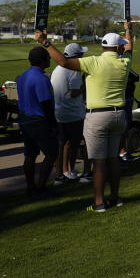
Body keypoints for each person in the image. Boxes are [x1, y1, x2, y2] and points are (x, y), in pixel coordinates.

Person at [35, 22, 135, 212]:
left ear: (104, 46)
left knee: (98, 161)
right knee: (113, 158)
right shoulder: (124, 62)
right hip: (118, 115)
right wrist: (128, 30)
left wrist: (45, 43)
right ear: (117, 47)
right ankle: (115, 197)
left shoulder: (93, 61)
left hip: (97, 116)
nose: (123, 46)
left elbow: (64, 62)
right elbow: (129, 47)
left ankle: (98, 203)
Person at [16, 46, 59, 197]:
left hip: (25, 119)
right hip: (39, 121)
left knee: (30, 155)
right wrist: (53, 125)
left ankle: (30, 187)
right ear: (41, 60)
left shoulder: (22, 76)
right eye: (47, 57)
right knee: (52, 153)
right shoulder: (41, 78)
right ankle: (41, 187)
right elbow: (46, 104)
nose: (49, 59)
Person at [51, 43, 88, 185]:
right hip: (72, 113)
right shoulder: (74, 70)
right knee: (73, 143)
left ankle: (62, 173)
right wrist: (85, 85)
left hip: (59, 112)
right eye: (81, 54)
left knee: (63, 144)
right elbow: (74, 92)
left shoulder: (57, 69)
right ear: (76, 56)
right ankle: (70, 170)